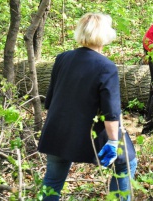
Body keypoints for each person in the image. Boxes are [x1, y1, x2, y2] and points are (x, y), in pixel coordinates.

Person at [38, 13, 137, 201]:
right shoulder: (106, 66)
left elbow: (50, 99)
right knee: (126, 163)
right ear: (105, 35)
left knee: (52, 181)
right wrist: (114, 142)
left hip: (57, 130)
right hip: (88, 132)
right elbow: (111, 110)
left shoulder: (63, 58)